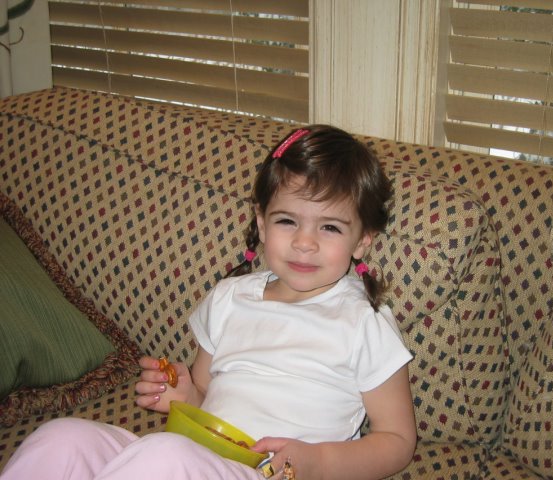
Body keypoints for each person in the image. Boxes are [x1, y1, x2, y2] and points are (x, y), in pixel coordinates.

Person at [1, 125, 416, 480]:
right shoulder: (229, 298)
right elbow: (204, 398)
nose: (304, 242)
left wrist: (319, 462)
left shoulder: (364, 320)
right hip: (198, 458)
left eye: (329, 228)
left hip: (268, 473)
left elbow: (397, 440)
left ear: (362, 241)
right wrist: (183, 396)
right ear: (261, 223)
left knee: (163, 455)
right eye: (287, 221)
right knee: (61, 439)